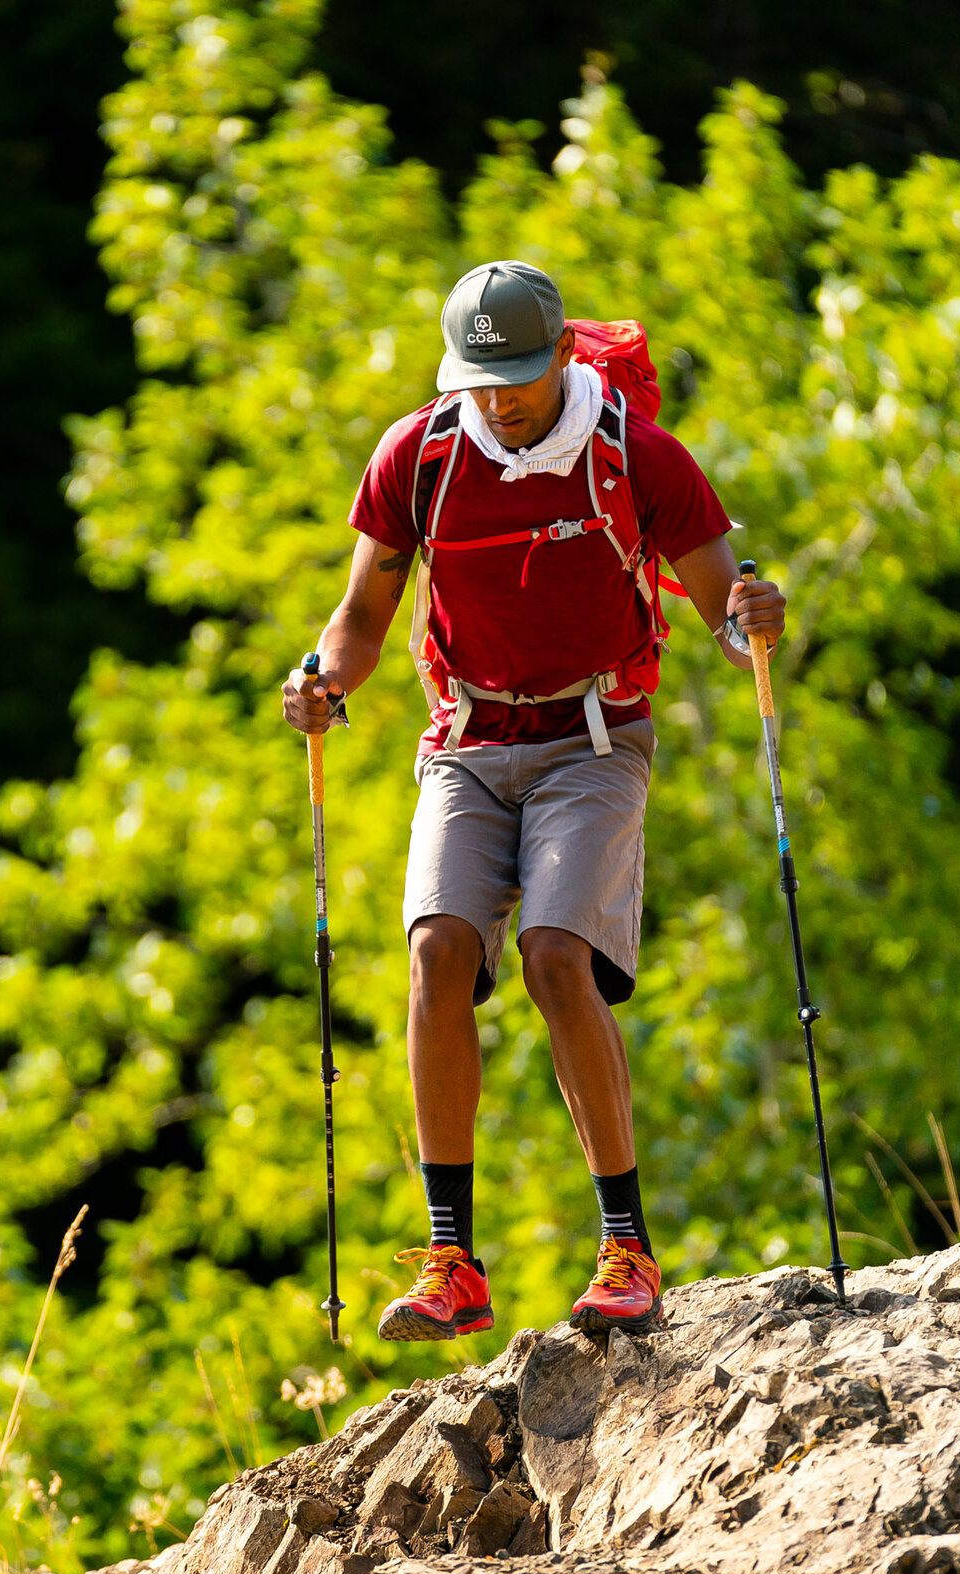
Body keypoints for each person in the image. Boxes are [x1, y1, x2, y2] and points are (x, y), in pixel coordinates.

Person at [281, 260, 784, 1340]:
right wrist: (320, 680)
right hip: (465, 739)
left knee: (557, 955)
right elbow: (360, 618)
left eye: (516, 375)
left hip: (591, 738)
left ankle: (625, 1247)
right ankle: (451, 1261)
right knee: (435, 948)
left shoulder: (637, 458)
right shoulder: (417, 457)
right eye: (479, 379)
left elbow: (724, 612)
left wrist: (755, 616)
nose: (499, 400)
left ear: (562, 355)